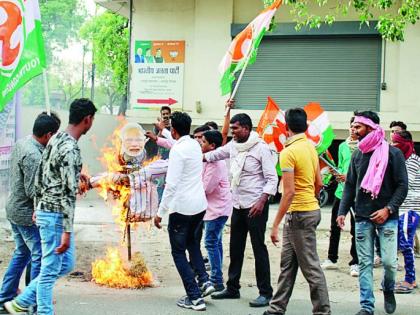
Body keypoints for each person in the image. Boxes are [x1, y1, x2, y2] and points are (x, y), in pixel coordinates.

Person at [4, 99, 97, 315]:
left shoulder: (56, 140)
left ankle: (20, 302)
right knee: (49, 270)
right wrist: (66, 230)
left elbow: (42, 175)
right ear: (87, 120)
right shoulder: (70, 149)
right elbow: (68, 195)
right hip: (55, 216)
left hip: (47, 213)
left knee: (64, 264)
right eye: (92, 119)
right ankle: (41, 311)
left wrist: (37, 206)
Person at [337, 111, 408, 315]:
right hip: (362, 217)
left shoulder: (393, 154)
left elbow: (403, 186)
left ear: (371, 127)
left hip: (388, 217)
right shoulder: (358, 153)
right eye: (354, 126)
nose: (354, 130)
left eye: (358, 126)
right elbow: (350, 185)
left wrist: (388, 209)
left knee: (389, 263)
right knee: (365, 263)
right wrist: (342, 211)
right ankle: (366, 306)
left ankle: (388, 289)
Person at [206, 113, 278, 308]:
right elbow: (214, 155)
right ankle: (232, 288)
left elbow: (272, 179)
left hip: (256, 207)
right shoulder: (233, 146)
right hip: (237, 205)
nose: (232, 132)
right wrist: (196, 157)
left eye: (235, 128)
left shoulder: (261, 148)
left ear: (246, 128)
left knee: (258, 249)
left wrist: (262, 201)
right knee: (235, 248)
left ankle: (265, 292)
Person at [265, 108, 331, 315]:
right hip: (308, 209)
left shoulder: (288, 152)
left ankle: (322, 311)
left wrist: (275, 224)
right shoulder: (310, 147)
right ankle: (276, 308)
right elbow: (319, 183)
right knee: (288, 265)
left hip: (299, 214)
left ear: (287, 127)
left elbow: (289, 192)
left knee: (311, 267)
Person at [0, 113, 60, 313]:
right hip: (26, 214)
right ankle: (32, 301)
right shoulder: (35, 156)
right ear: (48, 134)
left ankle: (5, 296)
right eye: (55, 135)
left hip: (13, 208)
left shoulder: (23, 142)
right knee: (40, 256)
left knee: (22, 253)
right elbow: (32, 190)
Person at [154, 112, 214, 311]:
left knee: (178, 252)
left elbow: (171, 185)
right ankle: (204, 281)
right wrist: (164, 132)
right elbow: (175, 141)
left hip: (182, 208)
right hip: (199, 206)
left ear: (174, 130)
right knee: (192, 244)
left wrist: (160, 213)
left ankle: (195, 297)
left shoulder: (178, 151)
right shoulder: (194, 145)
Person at [321, 117, 359, 276]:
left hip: (357, 194)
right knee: (334, 226)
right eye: (350, 126)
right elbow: (342, 166)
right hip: (340, 192)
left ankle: (355, 262)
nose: (352, 129)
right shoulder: (343, 146)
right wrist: (334, 172)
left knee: (356, 229)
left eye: (355, 127)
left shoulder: (365, 148)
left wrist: (348, 177)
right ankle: (331, 258)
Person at [201, 130, 232, 292]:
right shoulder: (208, 160)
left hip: (217, 209)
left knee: (210, 243)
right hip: (216, 208)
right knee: (216, 242)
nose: (201, 143)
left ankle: (216, 280)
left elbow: (206, 188)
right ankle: (217, 276)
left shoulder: (215, 163)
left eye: (203, 141)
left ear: (212, 146)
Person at [391, 131, 420, 294]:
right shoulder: (403, 159)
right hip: (403, 208)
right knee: (402, 242)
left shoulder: (412, 161)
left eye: (395, 142)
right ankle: (409, 277)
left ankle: (410, 279)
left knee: (406, 244)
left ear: (405, 143)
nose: (392, 145)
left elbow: (404, 184)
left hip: (410, 207)